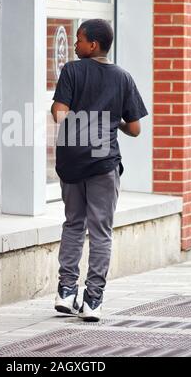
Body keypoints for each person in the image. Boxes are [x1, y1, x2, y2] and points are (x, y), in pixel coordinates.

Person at [51, 19, 148, 322]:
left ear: (92, 45)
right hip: (104, 163)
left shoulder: (72, 71)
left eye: (79, 40)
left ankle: (67, 292)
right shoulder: (123, 77)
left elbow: (59, 114)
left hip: (71, 162)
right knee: (101, 231)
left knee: (73, 225)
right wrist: (110, 122)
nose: (76, 45)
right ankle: (93, 300)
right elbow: (135, 129)